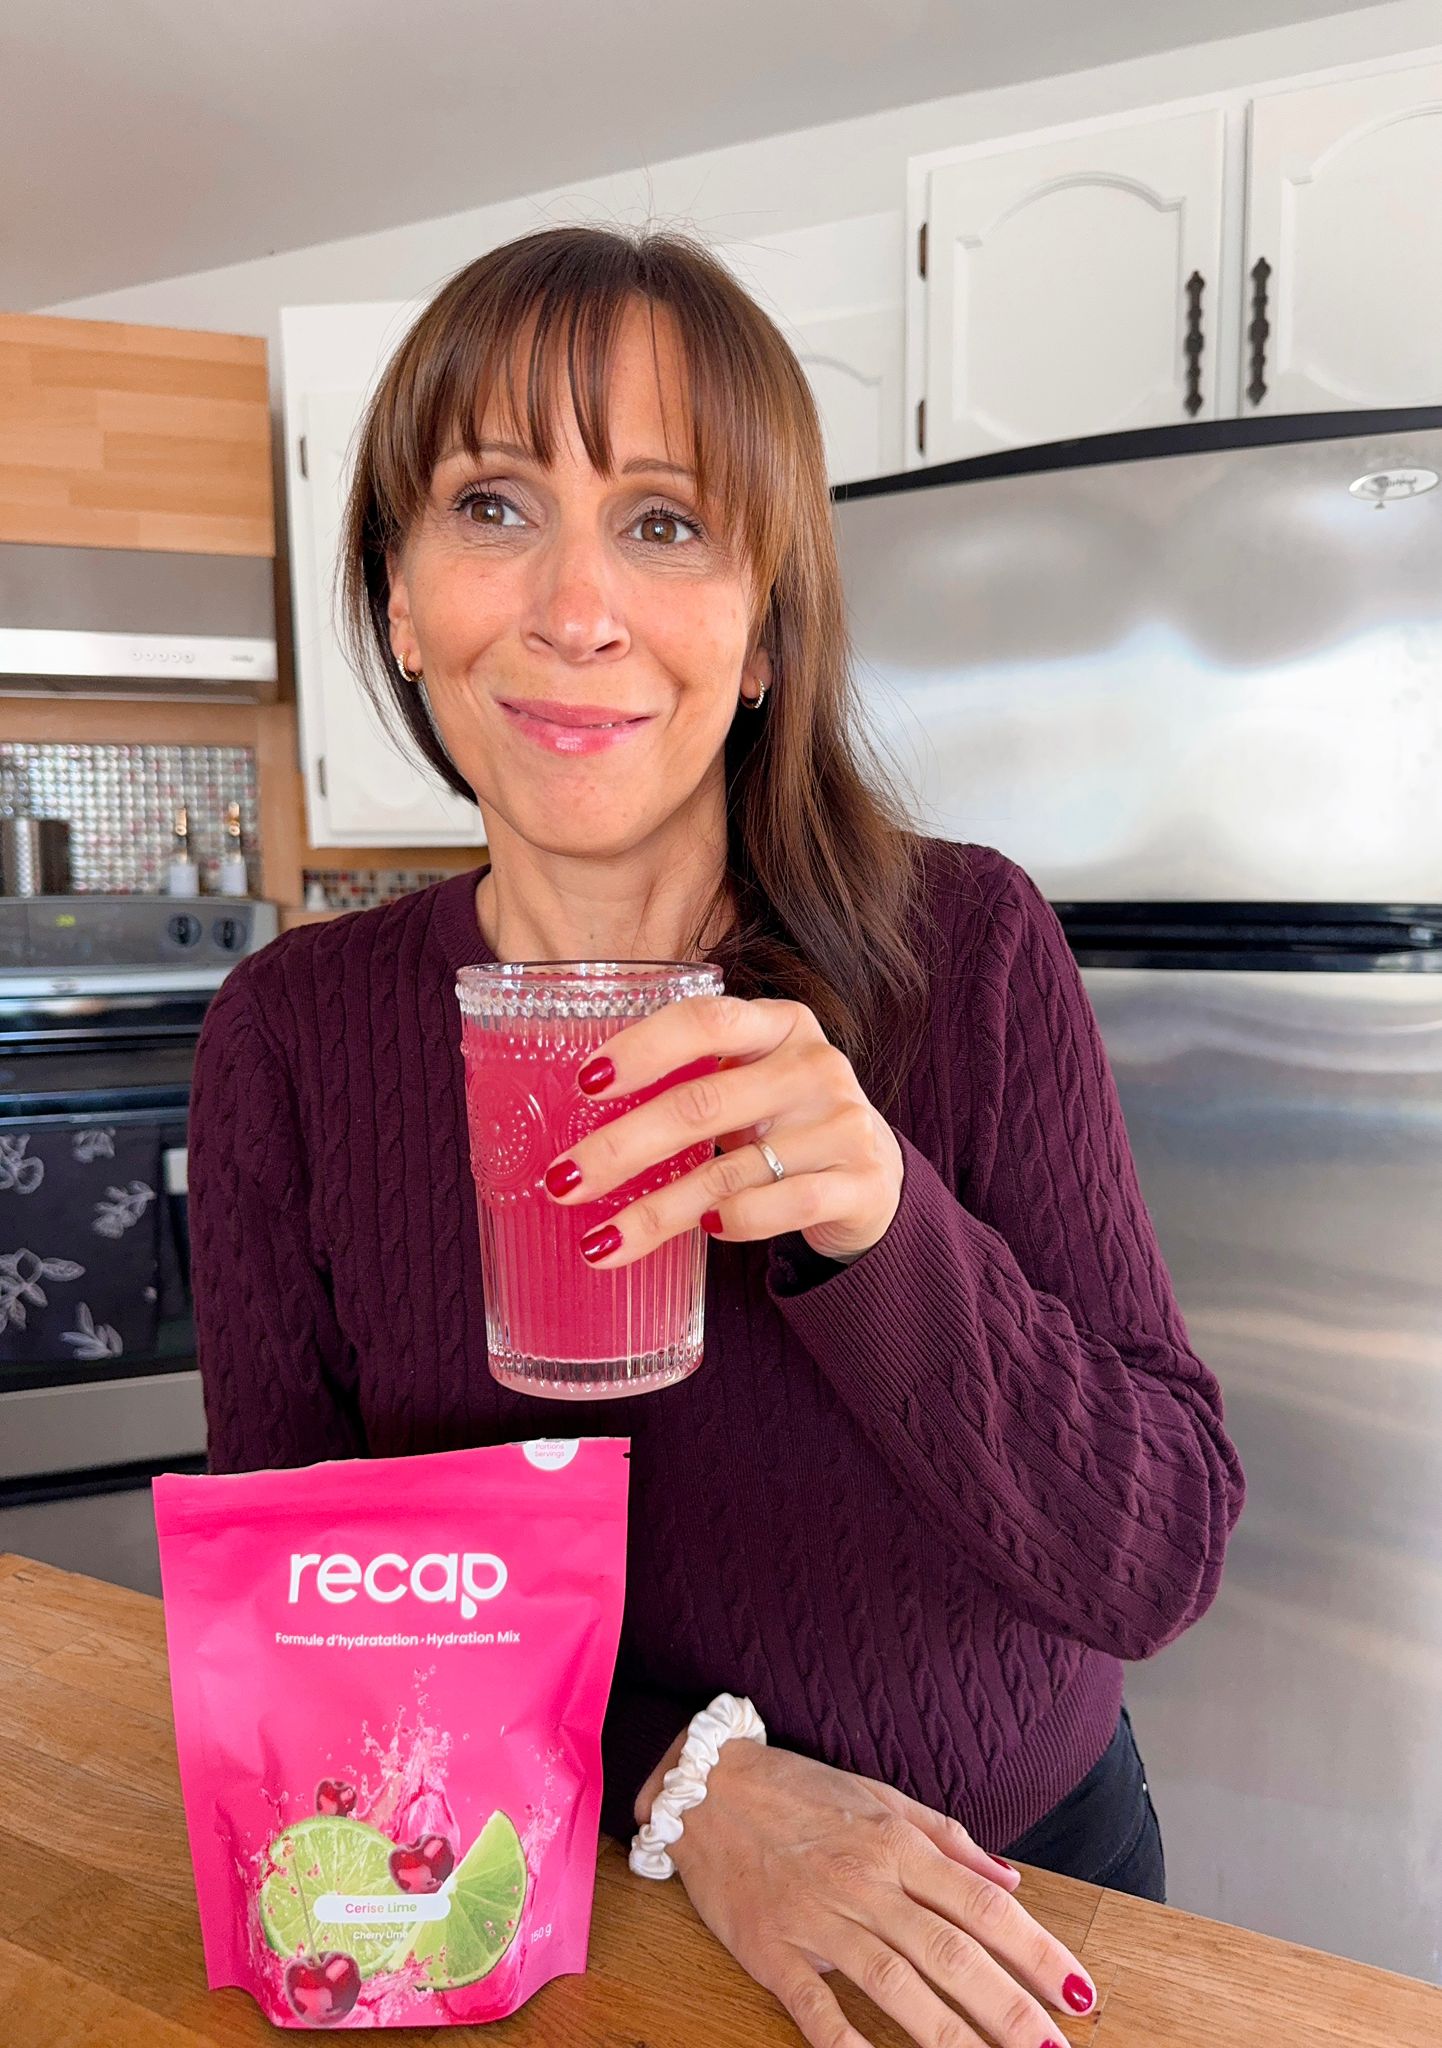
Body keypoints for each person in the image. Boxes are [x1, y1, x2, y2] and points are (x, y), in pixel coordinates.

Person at [190, 224, 1245, 2048]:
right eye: (493, 506)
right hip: (552, 1901)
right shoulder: (292, 1036)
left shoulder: (963, 952)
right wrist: (693, 1788)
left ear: (763, 629)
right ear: (392, 599)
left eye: (665, 522)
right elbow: (319, 1603)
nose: (575, 608)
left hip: (1003, 1920)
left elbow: (1148, 1561)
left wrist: (887, 1232)